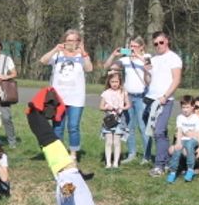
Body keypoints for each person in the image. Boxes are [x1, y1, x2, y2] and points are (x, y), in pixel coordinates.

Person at [39, 29, 93, 160]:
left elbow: (89, 68)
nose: (71, 43)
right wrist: (55, 49)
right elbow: (43, 60)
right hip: (58, 98)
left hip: (76, 97)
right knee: (58, 127)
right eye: (69, 40)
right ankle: (59, 153)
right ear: (64, 41)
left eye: (75, 40)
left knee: (73, 127)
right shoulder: (58, 54)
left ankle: (73, 153)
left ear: (79, 42)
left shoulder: (82, 56)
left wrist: (83, 52)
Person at [104, 37, 151, 164]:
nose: (132, 48)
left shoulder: (146, 56)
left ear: (142, 47)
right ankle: (132, 153)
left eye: (135, 46)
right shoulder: (125, 60)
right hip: (128, 96)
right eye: (130, 46)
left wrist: (138, 56)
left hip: (142, 96)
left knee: (143, 126)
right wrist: (113, 55)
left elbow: (150, 67)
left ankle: (147, 156)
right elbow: (107, 66)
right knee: (129, 126)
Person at [146, 31, 184, 176]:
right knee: (157, 132)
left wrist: (165, 96)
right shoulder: (154, 59)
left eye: (161, 42)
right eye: (155, 43)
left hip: (165, 100)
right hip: (151, 99)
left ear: (167, 41)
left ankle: (159, 165)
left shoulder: (174, 58)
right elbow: (149, 81)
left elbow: (176, 79)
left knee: (159, 132)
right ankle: (168, 161)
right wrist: (146, 71)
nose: (158, 46)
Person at [164, 95, 199, 183]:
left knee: (189, 145)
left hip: (193, 140)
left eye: (187, 107)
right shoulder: (180, 117)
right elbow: (180, 130)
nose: (185, 110)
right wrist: (178, 143)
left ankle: (190, 169)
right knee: (177, 150)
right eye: (183, 107)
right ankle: (173, 172)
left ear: (193, 107)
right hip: (183, 139)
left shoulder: (196, 118)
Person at [99, 71, 130, 169]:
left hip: (119, 120)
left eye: (116, 81)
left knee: (117, 142)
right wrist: (108, 108)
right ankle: (108, 163)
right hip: (109, 120)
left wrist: (122, 108)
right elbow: (101, 106)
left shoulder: (123, 92)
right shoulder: (106, 93)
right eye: (112, 82)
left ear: (120, 82)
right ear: (109, 82)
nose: (115, 84)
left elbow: (128, 104)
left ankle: (116, 163)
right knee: (108, 141)